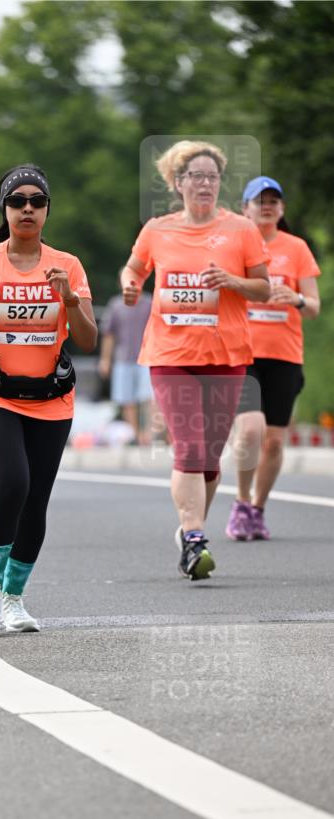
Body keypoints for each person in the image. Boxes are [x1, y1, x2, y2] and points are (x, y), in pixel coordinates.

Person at [0, 164, 97, 631]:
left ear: (48, 209)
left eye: (37, 201)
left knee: (36, 500)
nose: (27, 208)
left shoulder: (68, 265)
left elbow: (89, 340)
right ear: (5, 209)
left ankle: (14, 598)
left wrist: (69, 299)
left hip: (51, 398)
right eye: (18, 201)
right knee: (12, 483)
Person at [121, 140, 270, 580]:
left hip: (226, 355)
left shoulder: (242, 229)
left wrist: (231, 281)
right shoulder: (157, 229)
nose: (205, 183)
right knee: (187, 446)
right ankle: (194, 537)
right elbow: (134, 268)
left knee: (208, 458)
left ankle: (191, 527)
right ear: (178, 182)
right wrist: (131, 284)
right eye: (196, 176)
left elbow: (263, 288)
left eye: (212, 176)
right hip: (170, 353)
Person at [226, 176, 321, 540]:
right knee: (250, 429)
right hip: (243, 352)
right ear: (244, 208)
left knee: (276, 441)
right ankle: (240, 500)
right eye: (259, 200)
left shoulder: (296, 248)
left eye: (273, 201)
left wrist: (295, 299)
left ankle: (257, 509)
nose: (267, 206)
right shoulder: (234, 246)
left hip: (284, 354)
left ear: (281, 209)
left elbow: (313, 306)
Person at [98, 269, 153, 444]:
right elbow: (109, 334)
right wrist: (105, 360)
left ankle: (148, 434)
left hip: (147, 357)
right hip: (123, 358)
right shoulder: (115, 305)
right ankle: (136, 435)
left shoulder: (150, 303)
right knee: (126, 399)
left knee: (148, 398)